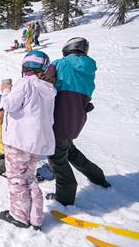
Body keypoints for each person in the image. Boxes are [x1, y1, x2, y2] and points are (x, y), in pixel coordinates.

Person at [45, 37, 110, 206]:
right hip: (76, 119)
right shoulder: (89, 70)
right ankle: (97, 176)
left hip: (59, 117)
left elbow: (44, 86)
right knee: (69, 150)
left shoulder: (59, 64)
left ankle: (65, 196)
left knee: (56, 156)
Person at [0, 50, 57, 231]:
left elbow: (8, 105)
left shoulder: (24, 83)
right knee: (30, 177)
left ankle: (19, 216)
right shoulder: (48, 89)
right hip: (35, 142)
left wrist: (6, 89)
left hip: (18, 141)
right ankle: (36, 217)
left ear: (25, 67)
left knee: (17, 179)